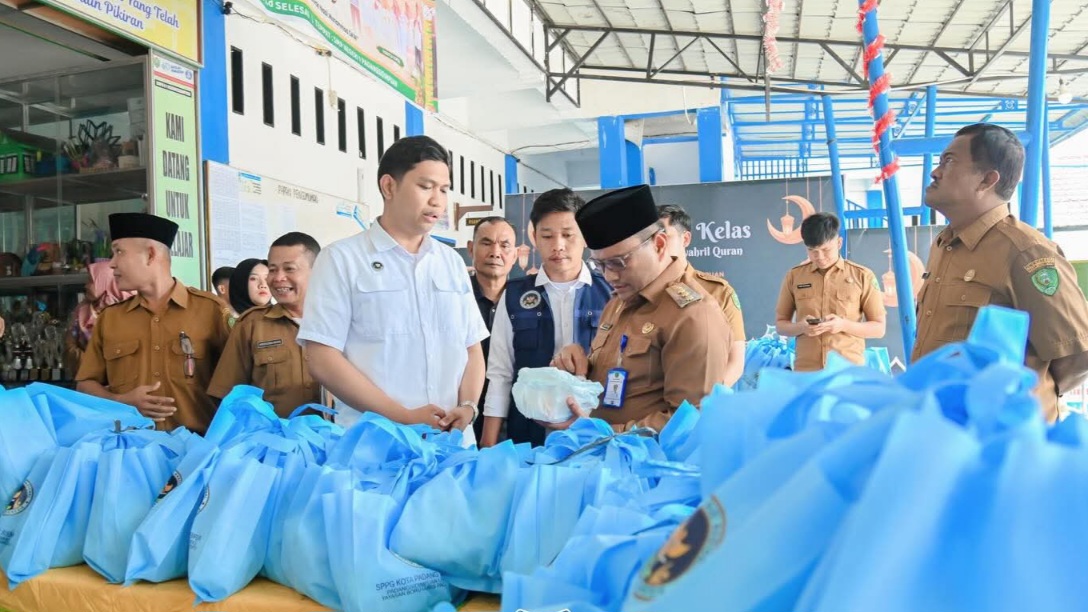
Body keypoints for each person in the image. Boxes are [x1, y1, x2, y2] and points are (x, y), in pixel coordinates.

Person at [298, 135, 487, 444]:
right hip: (377, 447)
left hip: (452, 446)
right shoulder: (342, 259)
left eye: (444, 189)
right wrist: (403, 417)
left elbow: (471, 348)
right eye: (425, 187)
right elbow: (322, 358)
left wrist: (468, 406)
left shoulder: (451, 263)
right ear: (389, 186)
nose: (438, 200)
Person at [913, 123, 1088, 422]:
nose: (935, 172)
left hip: (1000, 441)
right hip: (944, 429)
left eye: (949, 161)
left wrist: (1020, 403)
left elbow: (1075, 355)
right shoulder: (944, 245)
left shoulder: (1026, 253)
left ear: (987, 180)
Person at [550, 185, 731, 433]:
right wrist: (578, 364)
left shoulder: (693, 315)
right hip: (602, 457)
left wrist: (605, 433)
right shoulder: (618, 302)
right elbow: (616, 374)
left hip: (649, 467)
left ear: (658, 244)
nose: (610, 276)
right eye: (600, 265)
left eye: (619, 262)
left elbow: (690, 424)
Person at [76, 213, 231, 434]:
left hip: (195, 454)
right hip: (131, 452)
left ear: (150, 255)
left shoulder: (211, 312)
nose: (111, 264)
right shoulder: (111, 318)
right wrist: (121, 400)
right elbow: (85, 385)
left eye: (119, 252)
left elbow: (240, 387)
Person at [480, 189, 612, 448]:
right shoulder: (515, 295)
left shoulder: (611, 293)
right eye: (547, 236)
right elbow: (500, 375)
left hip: (594, 432)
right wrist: (487, 446)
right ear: (534, 238)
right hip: (528, 437)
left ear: (584, 236)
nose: (558, 246)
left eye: (567, 235)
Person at [209, 233, 322, 417]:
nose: (278, 278)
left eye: (289, 269)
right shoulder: (252, 325)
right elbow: (228, 397)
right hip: (271, 441)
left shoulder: (342, 321)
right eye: (273, 269)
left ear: (317, 270)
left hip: (339, 441)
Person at [774, 212, 886, 372]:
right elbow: (781, 325)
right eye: (812, 251)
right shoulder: (794, 276)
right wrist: (802, 327)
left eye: (826, 250)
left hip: (848, 370)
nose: (819, 257)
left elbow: (878, 328)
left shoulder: (862, 276)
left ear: (839, 243)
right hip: (807, 371)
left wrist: (843, 325)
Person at [658, 204, 746, 387]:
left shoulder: (718, 292)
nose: (658, 245)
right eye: (651, 239)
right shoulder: (638, 295)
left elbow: (735, 362)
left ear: (686, 239)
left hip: (704, 404)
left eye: (665, 237)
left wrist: (703, 403)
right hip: (653, 410)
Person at [467, 216, 517, 442]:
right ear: (471, 248)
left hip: (512, 416)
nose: (495, 252)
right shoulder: (456, 298)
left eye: (505, 245)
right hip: (462, 411)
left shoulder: (527, 300)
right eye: (486, 243)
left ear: (515, 255)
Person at [64, 261, 135, 376]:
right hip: (88, 378)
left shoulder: (131, 308)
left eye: (91, 281)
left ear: (105, 281)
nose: (86, 286)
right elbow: (70, 344)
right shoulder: (82, 310)